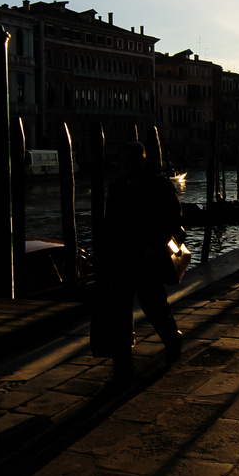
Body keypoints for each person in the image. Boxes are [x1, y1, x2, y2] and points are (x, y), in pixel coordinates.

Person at [94, 141, 185, 384]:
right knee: (119, 313)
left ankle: (172, 340)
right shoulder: (117, 187)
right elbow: (110, 224)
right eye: (121, 161)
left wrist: (155, 246)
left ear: (141, 161)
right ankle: (122, 367)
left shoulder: (160, 186)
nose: (123, 165)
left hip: (147, 259)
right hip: (121, 259)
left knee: (153, 306)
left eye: (128, 160)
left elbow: (174, 220)